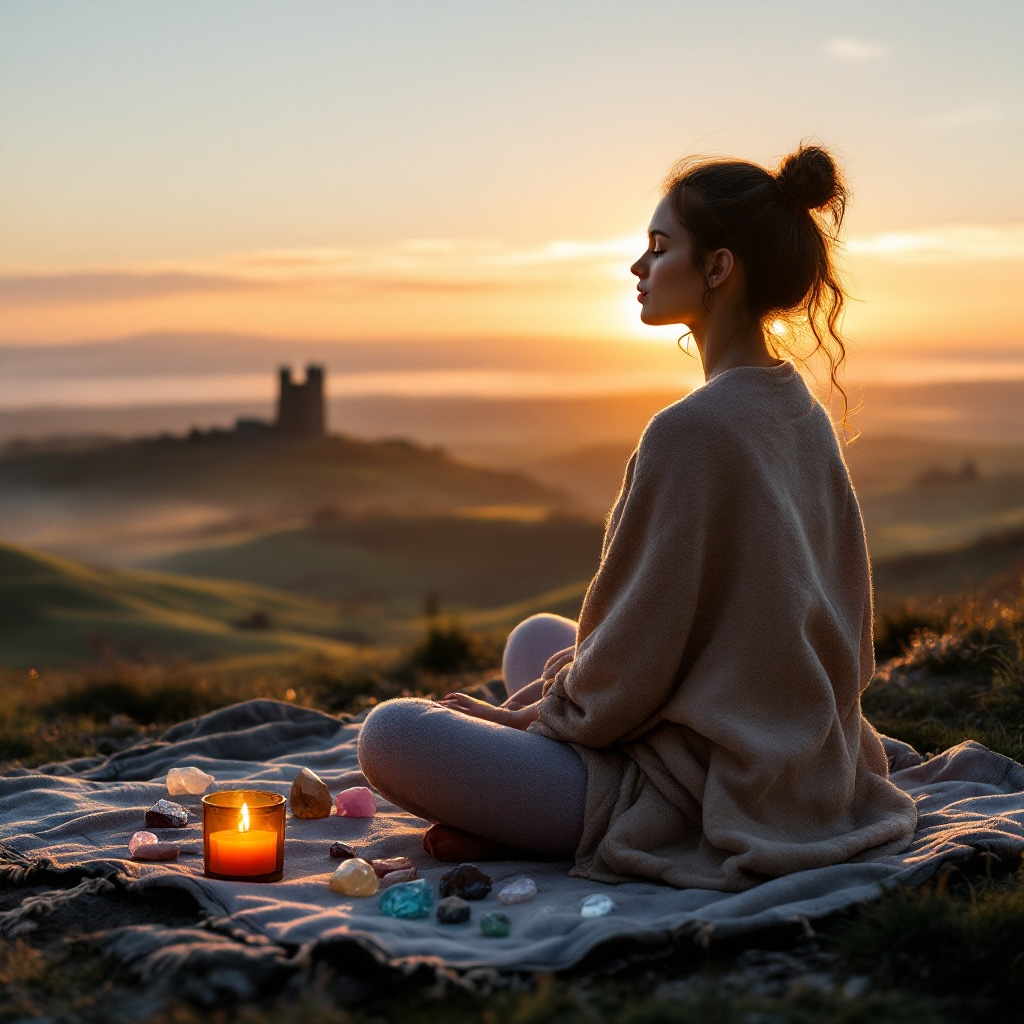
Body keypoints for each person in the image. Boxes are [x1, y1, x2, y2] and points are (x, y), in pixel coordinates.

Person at [358, 143, 918, 890]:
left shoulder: (690, 431)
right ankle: (520, 809)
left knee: (390, 733)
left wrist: (533, 719)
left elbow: (629, 665)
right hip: (801, 749)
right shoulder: (801, 411)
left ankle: (535, 825)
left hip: (708, 784)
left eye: (659, 248)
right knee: (538, 639)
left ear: (718, 268)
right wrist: (559, 699)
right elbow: (828, 632)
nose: (638, 267)